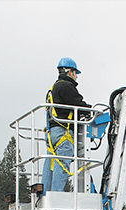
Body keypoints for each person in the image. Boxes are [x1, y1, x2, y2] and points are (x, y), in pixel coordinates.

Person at [42, 57, 91, 192]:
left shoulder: (52, 88)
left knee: (50, 164)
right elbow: (78, 104)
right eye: (75, 73)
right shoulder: (66, 86)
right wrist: (91, 111)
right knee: (62, 163)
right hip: (63, 132)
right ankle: (56, 195)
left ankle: (45, 194)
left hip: (51, 133)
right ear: (70, 72)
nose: (76, 77)